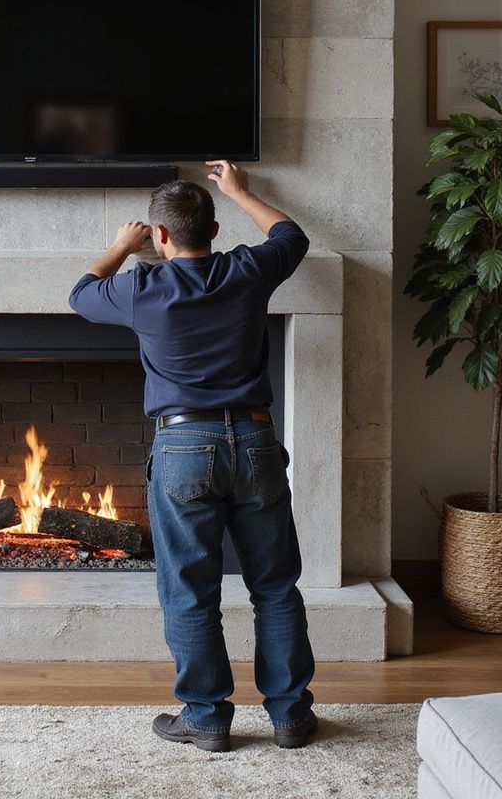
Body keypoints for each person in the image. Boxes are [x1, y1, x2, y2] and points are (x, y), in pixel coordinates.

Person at [68, 159, 316, 754]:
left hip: (182, 448)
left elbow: (79, 294)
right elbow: (292, 236)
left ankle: (206, 718)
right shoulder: (248, 269)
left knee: (190, 589)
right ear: (214, 230)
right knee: (275, 585)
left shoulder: (140, 287)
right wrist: (241, 191)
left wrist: (119, 248)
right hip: (255, 442)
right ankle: (289, 717)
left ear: (159, 236)